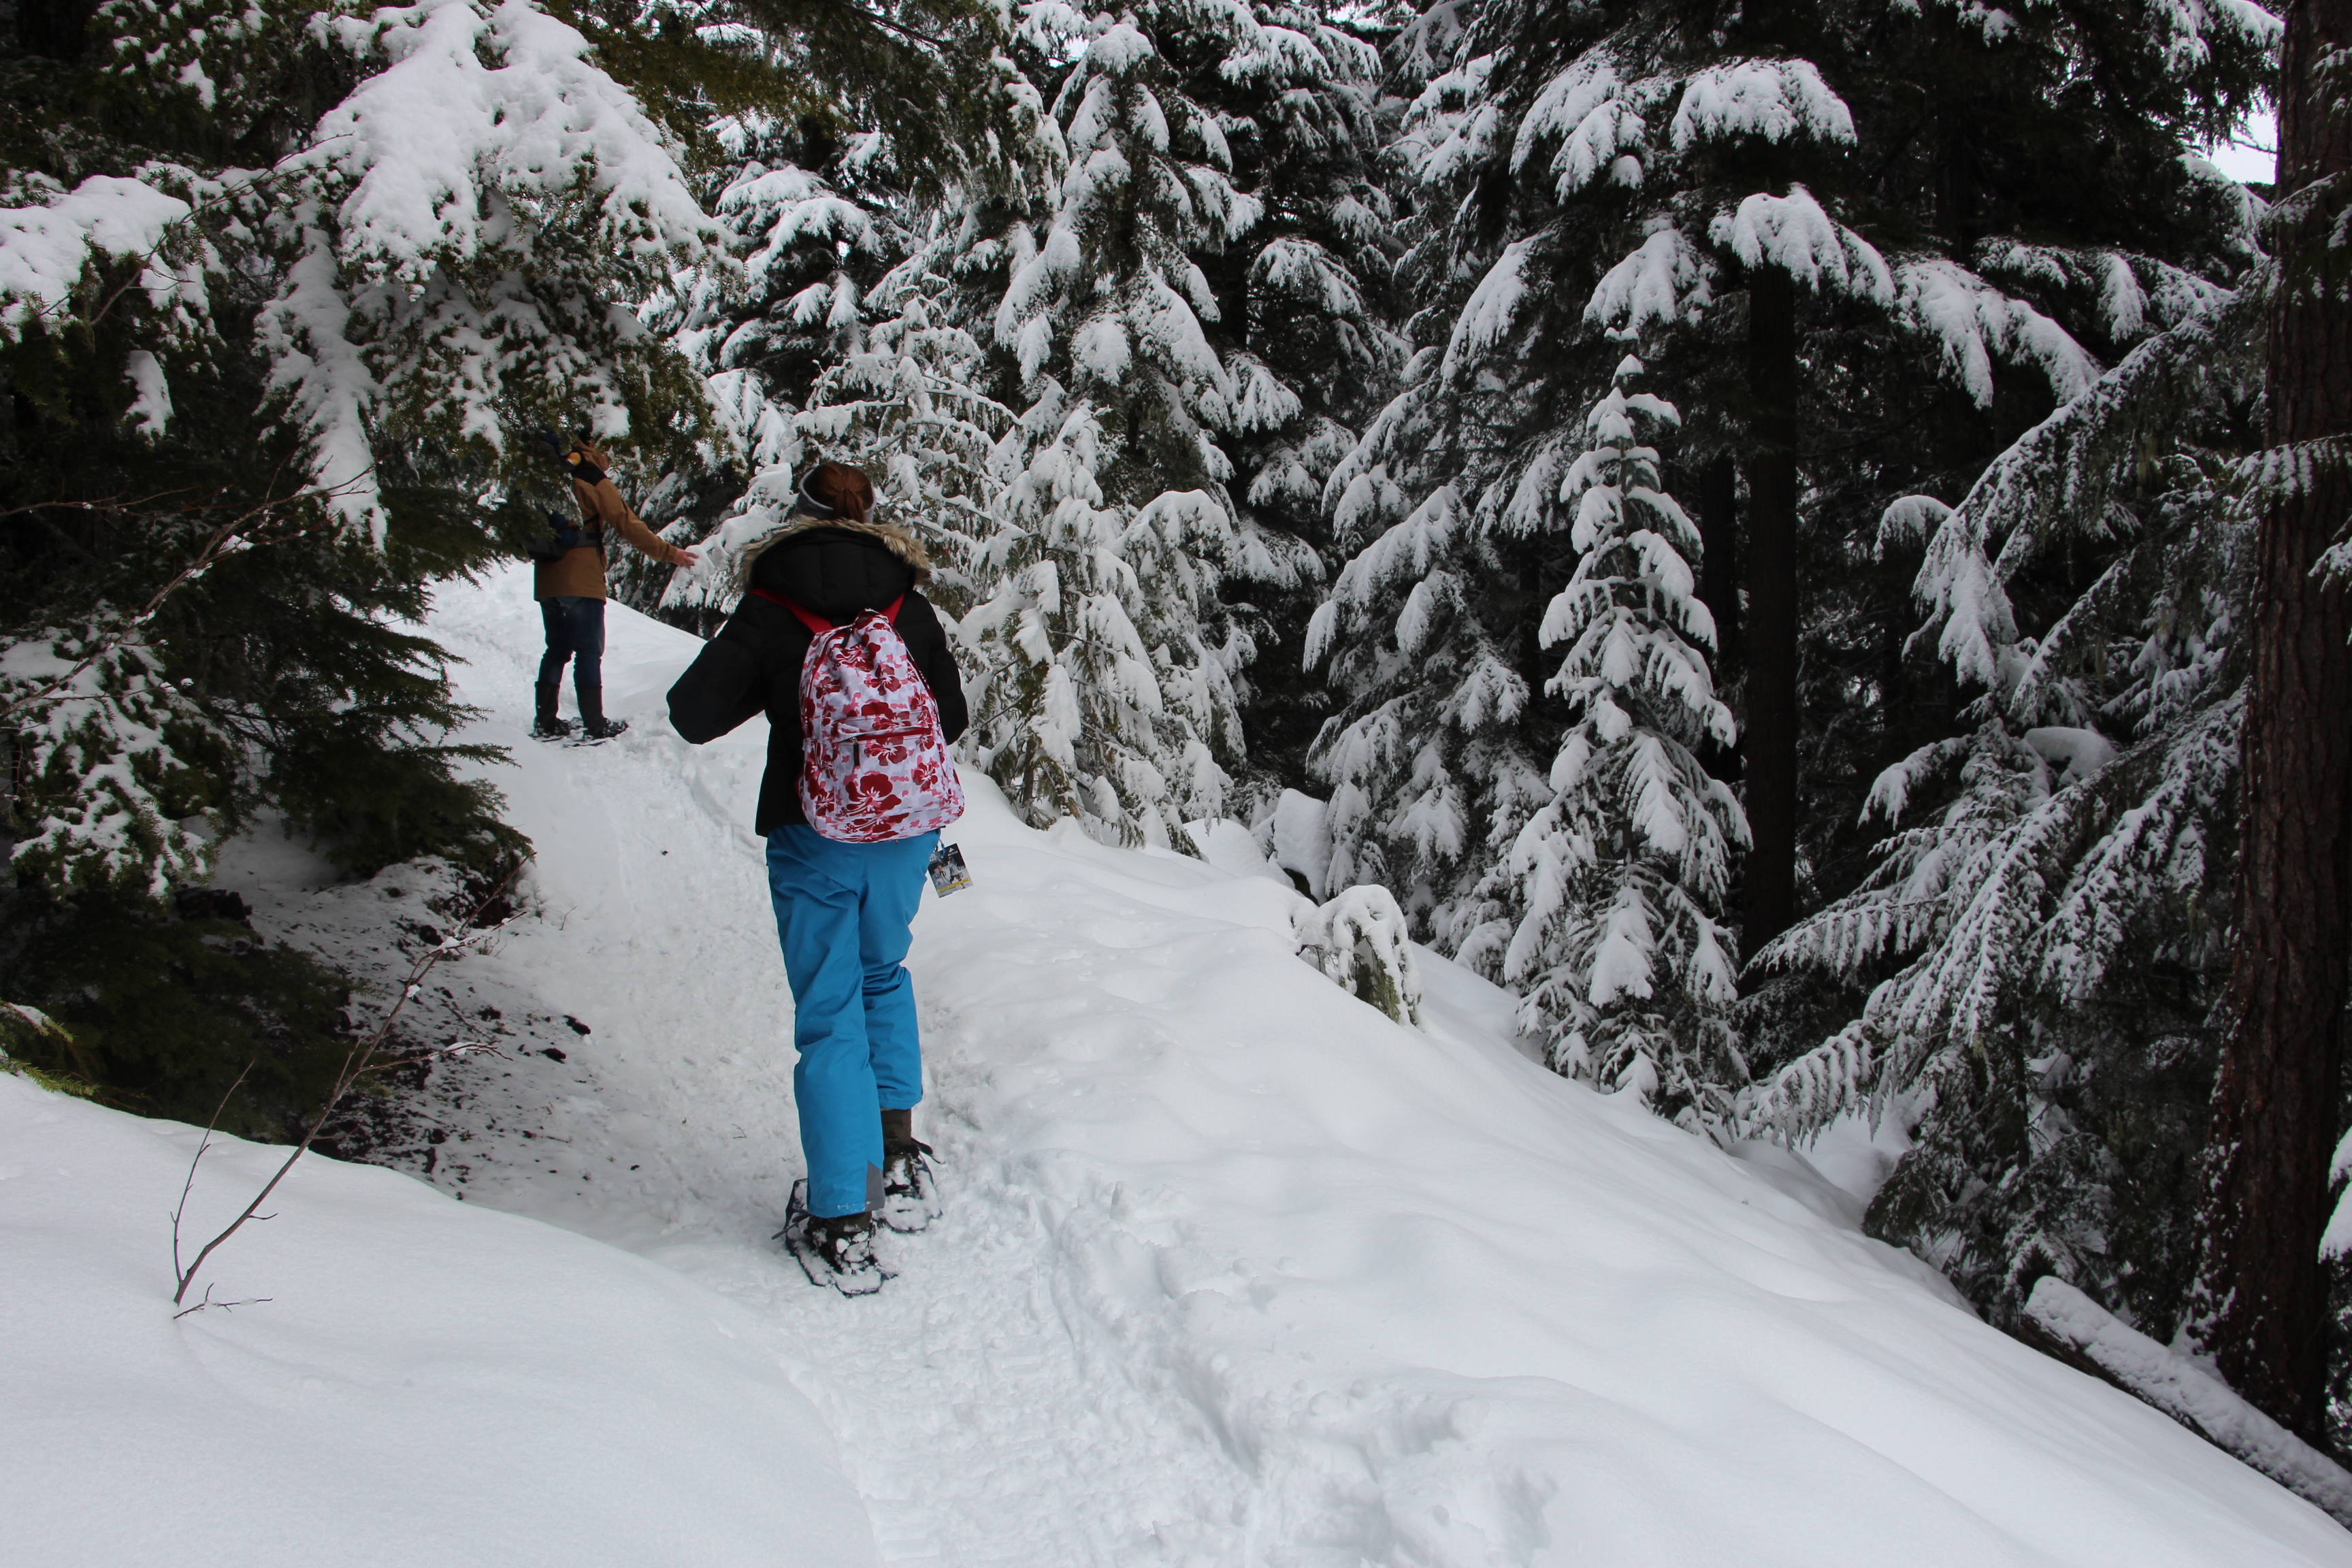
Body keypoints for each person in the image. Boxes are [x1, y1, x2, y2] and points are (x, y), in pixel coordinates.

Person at [666, 461, 967, 1294]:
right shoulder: (907, 601)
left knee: (831, 1014)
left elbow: (693, 715)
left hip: (815, 834)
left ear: (797, 516)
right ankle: (895, 1150)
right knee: (883, 972)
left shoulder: (771, 603)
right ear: (872, 517)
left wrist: (777, 682)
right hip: (908, 834)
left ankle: (843, 1210)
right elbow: (952, 716)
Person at [532, 436, 698, 742]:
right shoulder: (590, 477)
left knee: (556, 649)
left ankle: (545, 722)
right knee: (588, 651)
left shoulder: (546, 476)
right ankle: (595, 725)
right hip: (580, 578)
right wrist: (669, 553)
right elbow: (626, 523)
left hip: (546, 578)